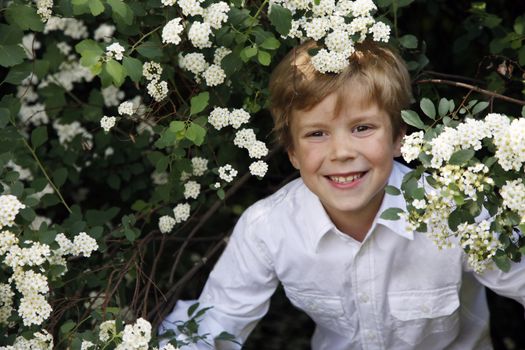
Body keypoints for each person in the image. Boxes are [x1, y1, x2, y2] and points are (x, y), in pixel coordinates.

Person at [159, 40, 525, 349]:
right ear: (292, 152)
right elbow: (214, 323)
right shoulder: (268, 228)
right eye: (316, 134)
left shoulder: (455, 210)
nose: (341, 152)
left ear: (400, 136)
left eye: (362, 127)